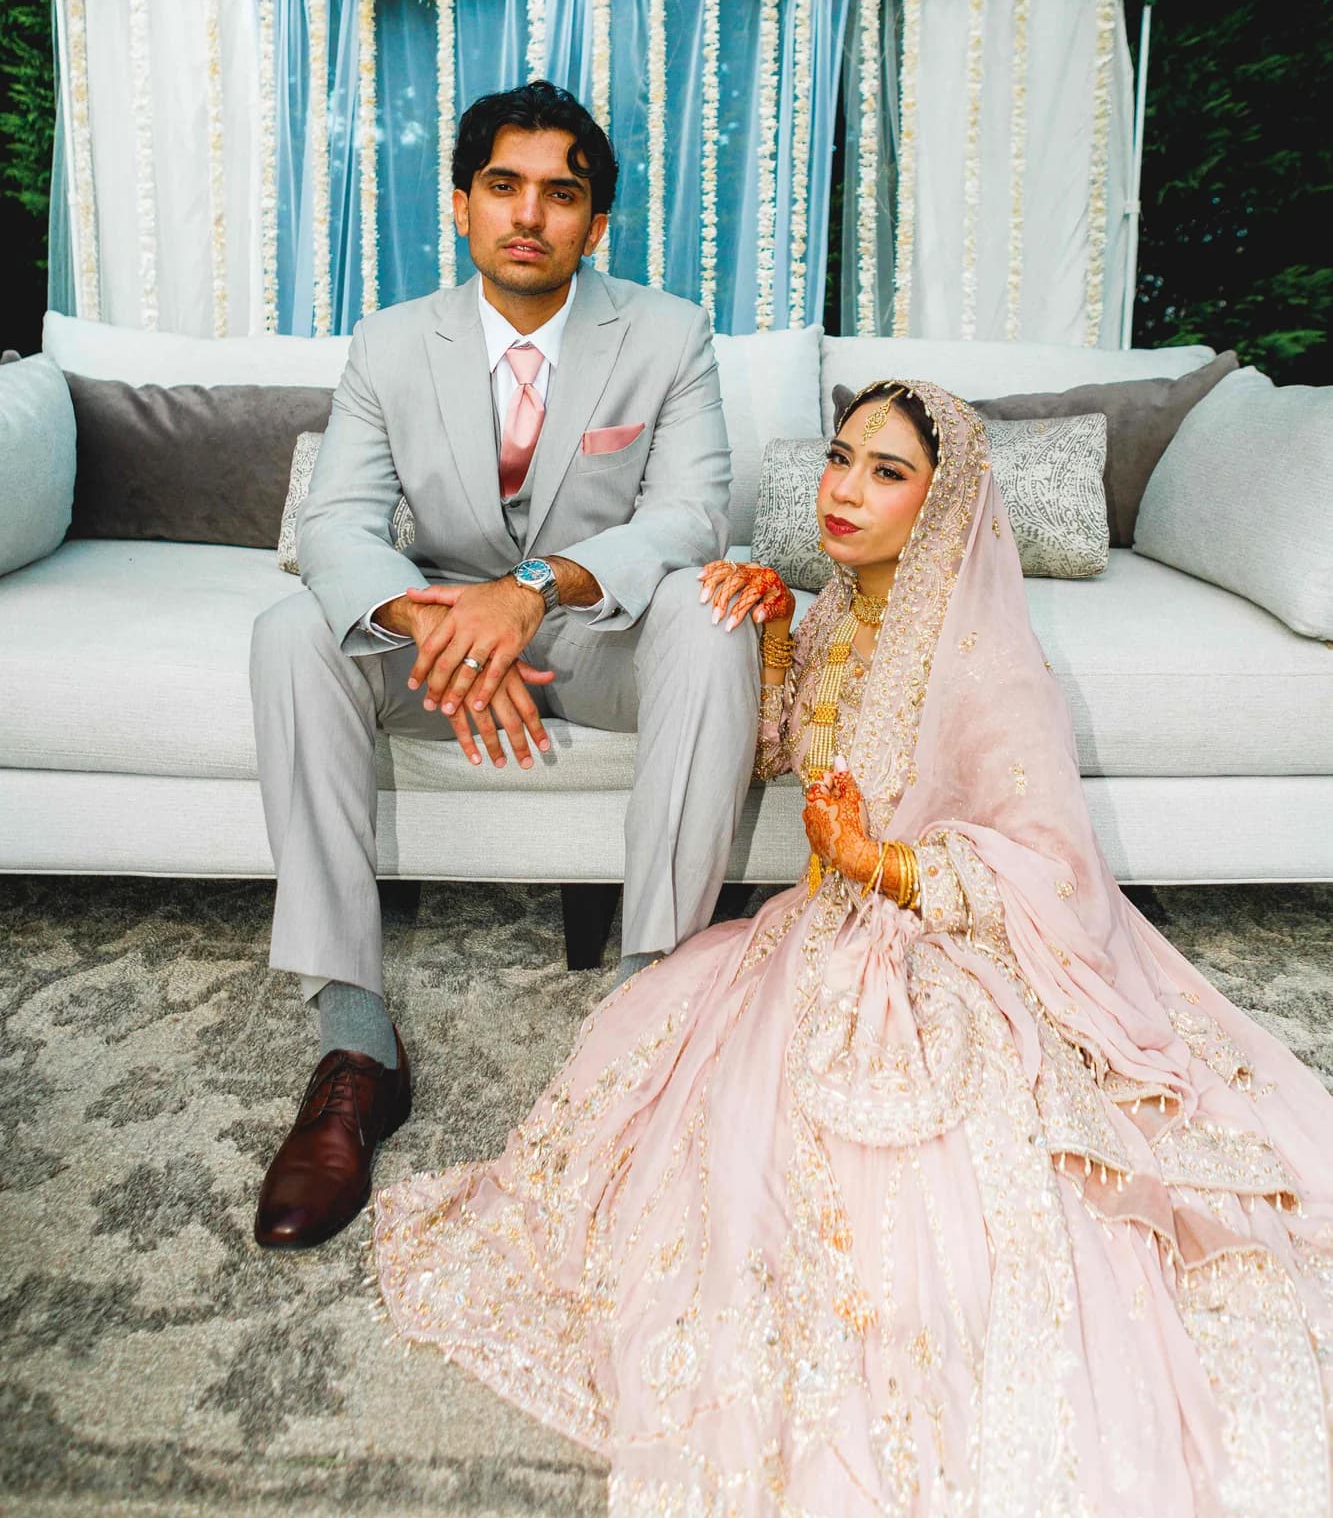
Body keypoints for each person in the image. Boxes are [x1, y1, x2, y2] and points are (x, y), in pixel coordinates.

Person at [372, 377, 1333, 1515]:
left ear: (941, 506)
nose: (846, 490)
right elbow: (786, 748)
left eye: (887, 473)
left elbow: (1056, 872)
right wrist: (772, 634)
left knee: (908, 1189)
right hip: (825, 922)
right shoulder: (836, 609)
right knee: (671, 1117)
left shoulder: (980, 656)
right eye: (839, 459)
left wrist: (881, 864)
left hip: (942, 945)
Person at [250, 80, 759, 1250]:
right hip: (437, 644)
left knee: (709, 615)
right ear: (463, 205)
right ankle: (353, 1036)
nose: (530, 213)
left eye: (561, 192)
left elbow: (689, 518)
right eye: (504, 184)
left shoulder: (670, 333)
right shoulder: (388, 341)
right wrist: (436, 623)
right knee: (289, 628)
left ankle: (649, 1001)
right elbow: (336, 524)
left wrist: (528, 594)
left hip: (588, 638)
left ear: (594, 221)